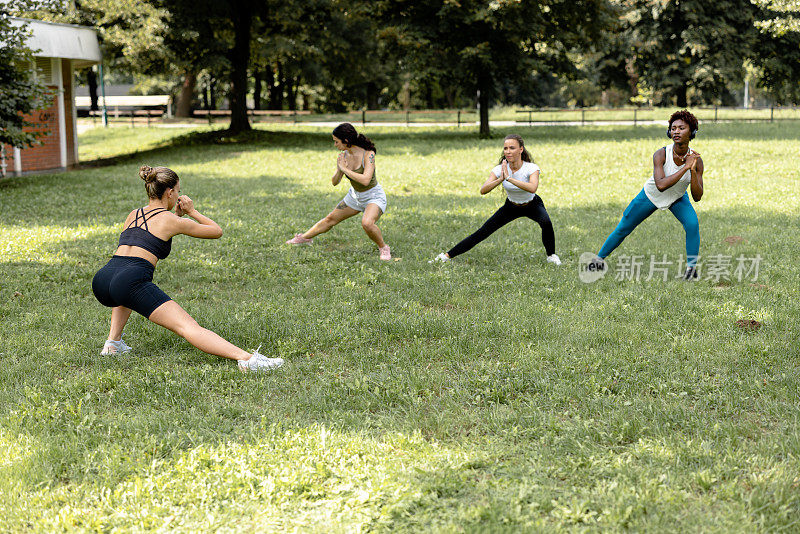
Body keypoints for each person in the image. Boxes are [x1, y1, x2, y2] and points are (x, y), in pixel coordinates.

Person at [92, 165, 283, 371]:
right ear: (170, 192)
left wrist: (177, 216)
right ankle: (248, 360)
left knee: (124, 290)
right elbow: (216, 231)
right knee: (188, 326)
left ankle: (113, 343)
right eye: (179, 191)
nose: (179, 195)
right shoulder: (174, 221)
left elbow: (147, 236)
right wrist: (191, 211)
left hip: (104, 278)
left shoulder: (134, 214)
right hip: (129, 281)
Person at [593, 109, 704, 280]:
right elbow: (660, 185)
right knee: (624, 227)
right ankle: (598, 261)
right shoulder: (661, 154)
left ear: (692, 132)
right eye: (673, 128)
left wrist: (693, 170)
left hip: (677, 197)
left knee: (692, 224)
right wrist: (684, 168)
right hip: (651, 195)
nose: (676, 132)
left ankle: (691, 271)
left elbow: (697, 196)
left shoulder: (696, 160)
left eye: (681, 128)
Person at [430, 134, 561, 265]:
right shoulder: (499, 170)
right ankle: (446, 256)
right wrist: (500, 179)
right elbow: (483, 190)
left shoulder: (531, 168)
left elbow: (532, 188)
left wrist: (509, 178)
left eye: (512, 148)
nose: (508, 151)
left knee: (546, 223)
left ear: (521, 149)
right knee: (483, 232)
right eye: (505, 148)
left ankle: (551, 256)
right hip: (511, 207)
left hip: (532, 204)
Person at [286, 123, 391, 260]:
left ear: (346, 141)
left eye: (336, 141)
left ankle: (383, 247)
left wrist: (345, 169)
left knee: (367, 223)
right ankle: (304, 238)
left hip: (373, 196)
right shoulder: (343, 156)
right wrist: (339, 169)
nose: (335, 144)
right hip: (354, 196)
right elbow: (335, 182)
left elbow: (365, 180)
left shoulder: (368, 154)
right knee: (330, 219)